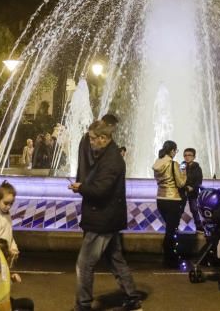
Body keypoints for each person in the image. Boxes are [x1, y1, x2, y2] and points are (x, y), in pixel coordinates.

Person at [69, 119, 141, 311]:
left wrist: (82, 187)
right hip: (107, 217)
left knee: (84, 265)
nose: (89, 141)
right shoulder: (107, 155)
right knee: (115, 260)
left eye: (92, 139)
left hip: (102, 219)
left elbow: (101, 190)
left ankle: (83, 305)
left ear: (103, 138)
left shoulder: (111, 161)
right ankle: (132, 296)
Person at [152, 139, 186, 267]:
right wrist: (184, 173)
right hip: (173, 199)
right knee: (171, 230)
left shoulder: (157, 163)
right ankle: (170, 257)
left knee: (169, 228)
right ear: (171, 151)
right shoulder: (173, 164)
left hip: (160, 199)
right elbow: (181, 183)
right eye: (175, 151)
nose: (175, 153)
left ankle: (169, 255)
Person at [77, 114, 118, 183]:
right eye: (114, 128)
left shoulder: (95, 137)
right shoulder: (90, 137)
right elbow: (84, 161)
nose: (114, 130)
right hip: (91, 179)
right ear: (109, 125)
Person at [180, 148, 205, 233]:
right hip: (183, 191)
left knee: (194, 209)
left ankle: (198, 226)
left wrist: (193, 187)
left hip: (193, 192)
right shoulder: (182, 165)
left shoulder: (197, 167)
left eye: (189, 155)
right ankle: (175, 226)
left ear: (194, 157)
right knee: (179, 209)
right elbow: (179, 177)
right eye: (185, 155)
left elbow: (199, 181)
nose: (187, 157)